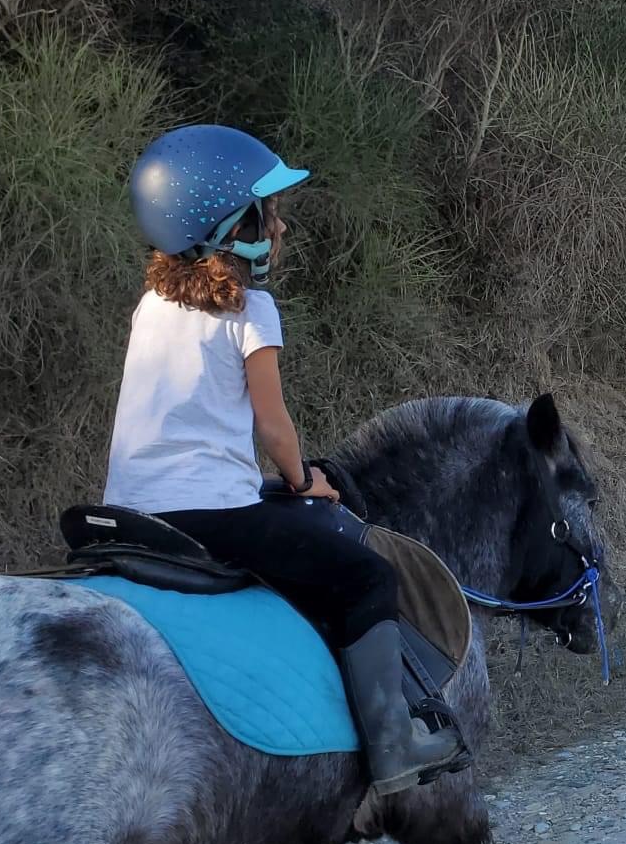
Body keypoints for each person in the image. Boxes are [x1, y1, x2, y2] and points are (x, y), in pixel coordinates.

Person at [105, 124, 470, 795]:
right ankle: (394, 746)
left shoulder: (151, 305)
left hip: (132, 508)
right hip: (209, 513)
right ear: (225, 224)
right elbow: (273, 424)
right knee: (365, 578)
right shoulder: (252, 309)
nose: (279, 228)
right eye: (266, 214)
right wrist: (305, 481)